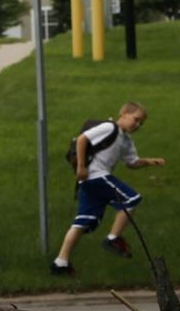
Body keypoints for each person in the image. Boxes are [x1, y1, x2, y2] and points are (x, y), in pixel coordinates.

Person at [51, 101, 165, 275]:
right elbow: (82, 139)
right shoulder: (109, 128)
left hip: (92, 182)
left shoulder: (126, 140)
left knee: (83, 221)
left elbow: (131, 162)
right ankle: (113, 238)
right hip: (96, 176)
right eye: (136, 119)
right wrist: (81, 167)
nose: (137, 125)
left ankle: (61, 263)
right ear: (124, 114)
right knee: (132, 199)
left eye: (141, 123)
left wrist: (148, 161)